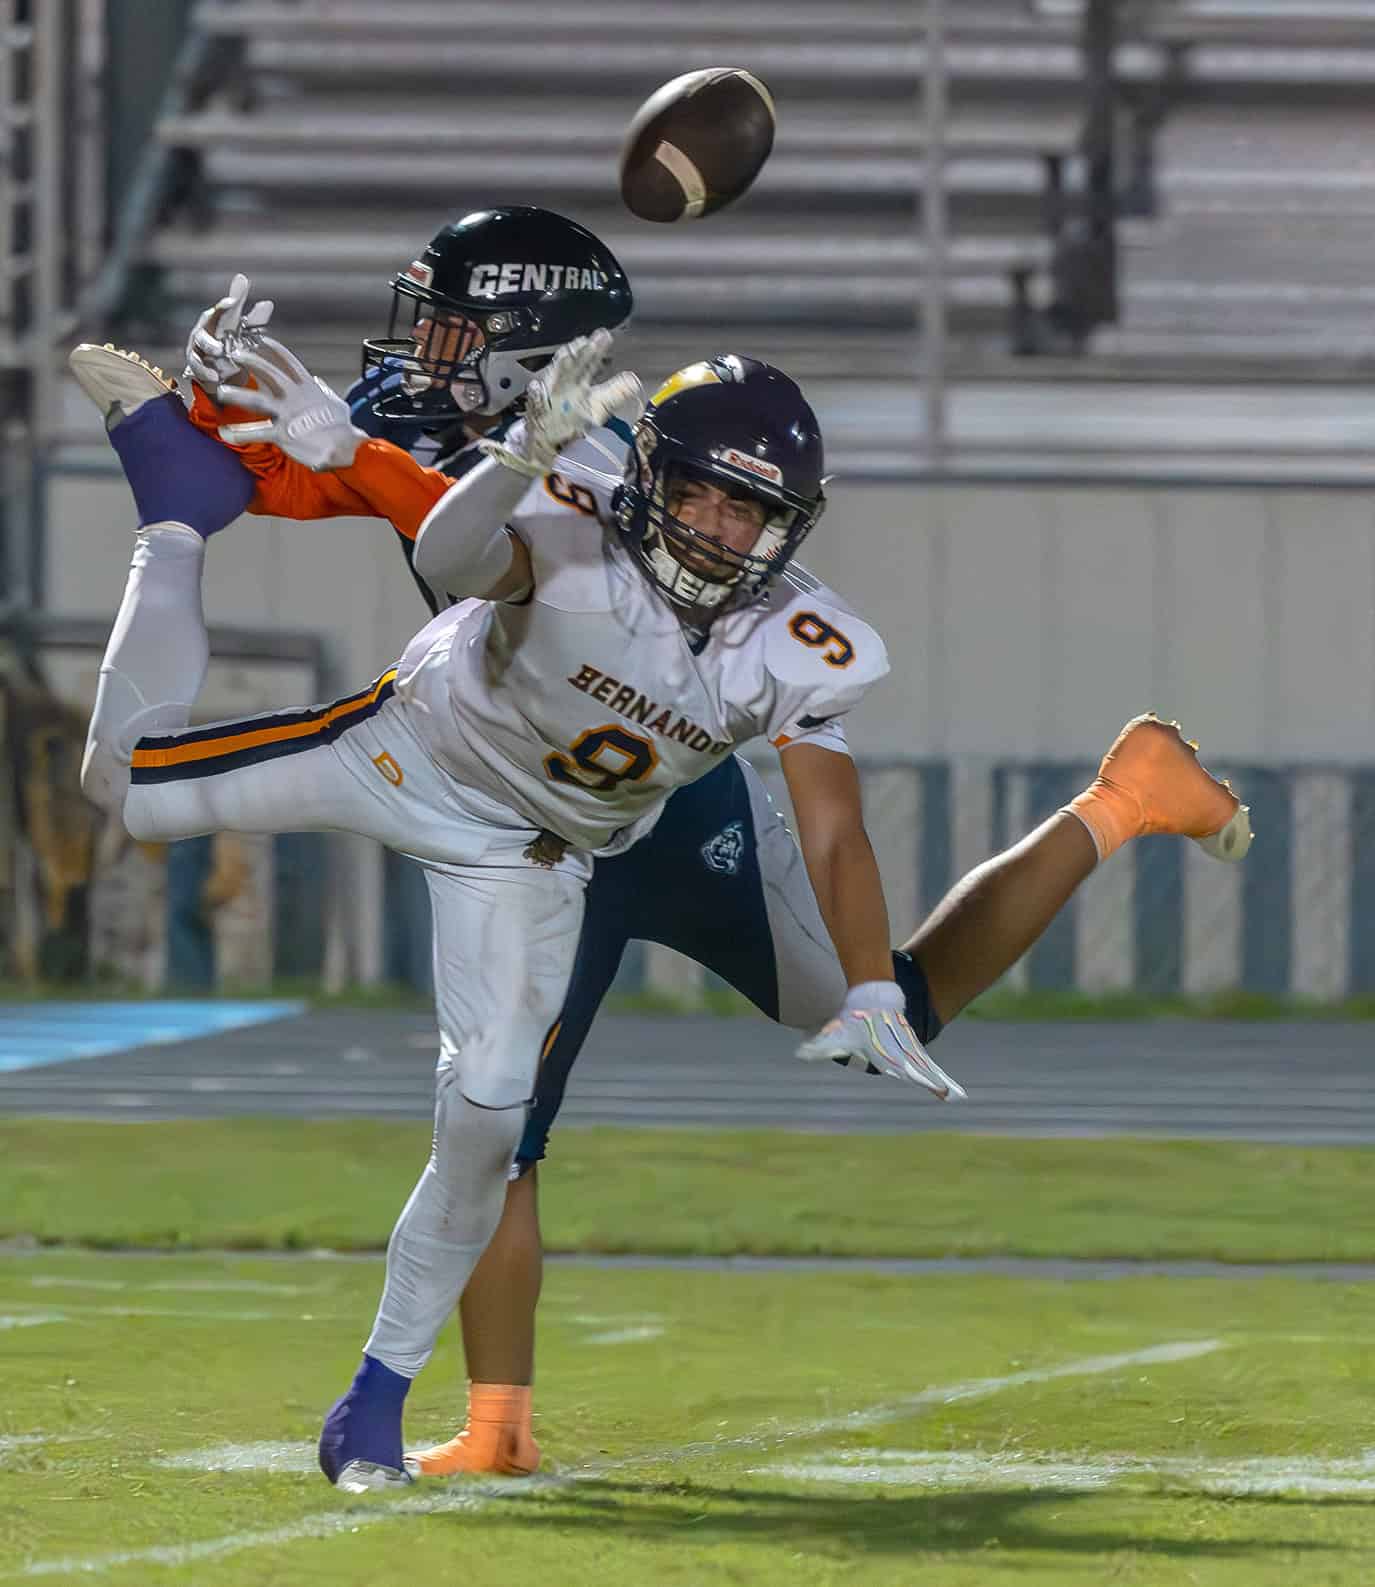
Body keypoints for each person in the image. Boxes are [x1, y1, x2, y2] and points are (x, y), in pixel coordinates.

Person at [76, 282, 1254, 1482]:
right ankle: (172, 521)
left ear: (790, 524)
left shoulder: (802, 638)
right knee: (131, 788)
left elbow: (834, 830)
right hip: (407, 755)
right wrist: (501, 459)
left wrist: (871, 995)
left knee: (488, 1118)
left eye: (748, 510)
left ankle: (372, 1405)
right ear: (641, 473)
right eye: (692, 489)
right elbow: (455, 551)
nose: (712, 527)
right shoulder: (572, 504)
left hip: (535, 853)